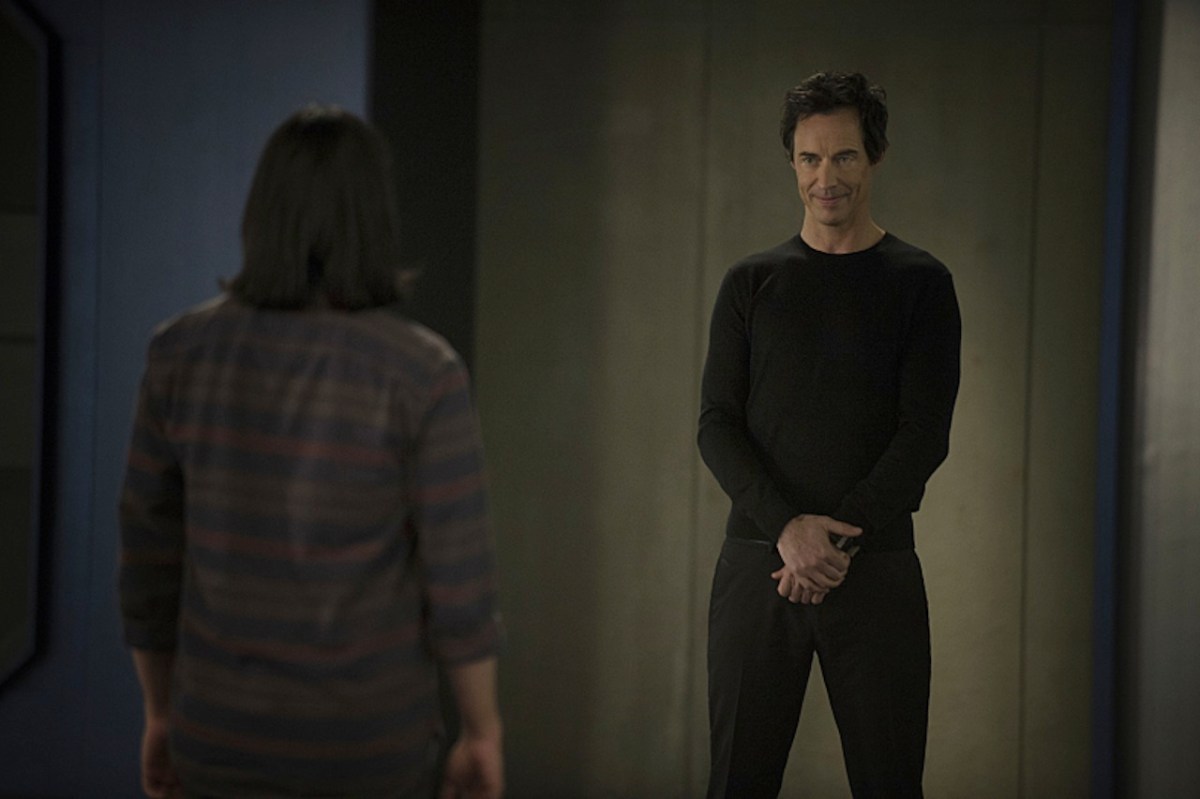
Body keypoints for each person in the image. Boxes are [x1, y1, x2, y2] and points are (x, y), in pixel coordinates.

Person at [118, 105, 504, 799]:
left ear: (262, 213)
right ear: (373, 219)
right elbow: (460, 581)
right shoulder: (422, 371)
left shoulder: (178, 353)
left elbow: (148, 561)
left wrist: (158, 712)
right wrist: (482, 732)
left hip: (217, 736)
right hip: (371, 746)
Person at [698, 72, 961, 797]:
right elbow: (716, 424)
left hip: (875, 572)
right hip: (759, 566)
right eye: (810, 158)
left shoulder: (921, 283)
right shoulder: (751, 282)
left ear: (874, 156)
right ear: (791, 161)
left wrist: (834, 542)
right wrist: (788, 530)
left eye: (844, 156)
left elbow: (924, 435)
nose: (826, 178)